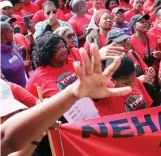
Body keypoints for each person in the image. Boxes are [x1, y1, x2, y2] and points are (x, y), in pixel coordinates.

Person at [1, 43, 132, 156]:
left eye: (13, 111)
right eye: (2, 114)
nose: (9, 118)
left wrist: (73, 94)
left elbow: (10, 144)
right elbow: (7, 139)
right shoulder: (36, 78)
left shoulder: (11, 88)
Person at [26, 33, 78, 98]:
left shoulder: (73, 63)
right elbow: (30, 104)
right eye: (59, 48)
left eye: (64, 46)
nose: (64, 50)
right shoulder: (36, 78)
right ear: (47, 52)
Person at [1, 22, 28, 88]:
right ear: (3, 36)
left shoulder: (14, 47)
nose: (14, 33)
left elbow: (22, 71)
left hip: (25, 89)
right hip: (13, 95)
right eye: (11, 31)